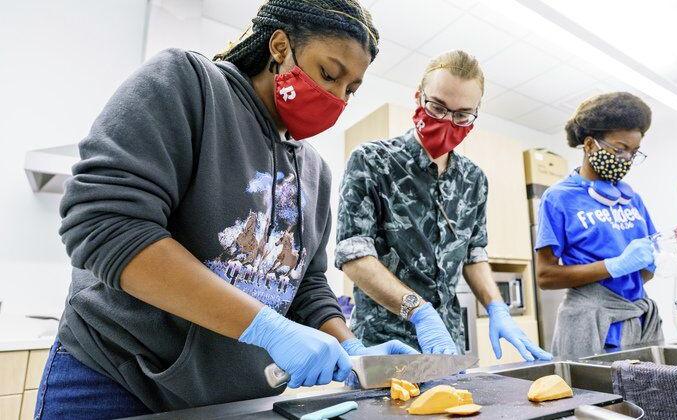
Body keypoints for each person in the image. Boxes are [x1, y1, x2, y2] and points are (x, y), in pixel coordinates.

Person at [35, 1, 416, 418]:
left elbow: (306, 283)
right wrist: (267, 328)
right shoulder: (189, 84)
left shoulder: (315, 172)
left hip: (233, 399)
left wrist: (351, 346)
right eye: (329, 74)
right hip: (117, 380)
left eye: (351, 89)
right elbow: (104, 224)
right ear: (279, 46)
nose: (337, 98)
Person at [335, 50, 551, 362]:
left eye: (462, 115)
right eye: (437, 108)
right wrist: (418, 311)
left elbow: (474, 254)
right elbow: (354, 255)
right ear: (419, 98)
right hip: (384, 342)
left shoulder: (474, 179)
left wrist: (497, 307)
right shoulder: (373, 161)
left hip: (448, 343)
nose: (448, 122)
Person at [534, 92, 663, 358]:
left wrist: (652, 263)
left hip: (637, 320)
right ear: (590, 145)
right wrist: (613, 266)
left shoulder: (632, 200)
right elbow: (545, 276)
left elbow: (646, 269)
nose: (626, 159)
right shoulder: (560, 198)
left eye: (634, 152)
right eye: (619, 149)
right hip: (592, 323)